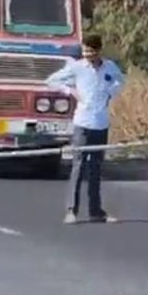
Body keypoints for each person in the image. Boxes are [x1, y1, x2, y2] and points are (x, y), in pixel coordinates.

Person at [45, 34, 125, 224]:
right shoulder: (77, 67)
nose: (88, 54)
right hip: (82, 123)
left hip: (101, 124)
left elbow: (120, 81)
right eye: (85, 51)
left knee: (96, 168)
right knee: (78, 166)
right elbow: (51, 81)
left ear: (99, 51)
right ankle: (71, 210)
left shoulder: (109, 67)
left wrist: (111, 91)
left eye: (91, 51)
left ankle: (96, 212)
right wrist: (70, 91)